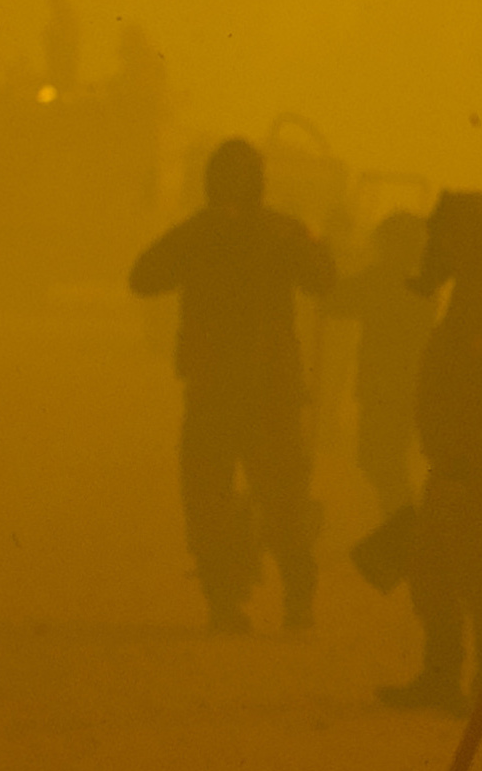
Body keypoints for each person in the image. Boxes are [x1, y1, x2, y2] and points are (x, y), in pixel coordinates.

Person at [126, 137, 331, 633]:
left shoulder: (201, 234)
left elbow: (143, 276)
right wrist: (310, 239)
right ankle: (290, 603)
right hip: (262, 394)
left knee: (216, 501)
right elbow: (324, 279)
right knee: (277, 500)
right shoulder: (278, 232)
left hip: (223, 394)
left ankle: (233, 604)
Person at [383, 192, 482, 714]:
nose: (439, 246)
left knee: (480, 574)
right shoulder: (472, 294)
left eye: (449, 237)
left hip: (472, 465)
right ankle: (441, 676)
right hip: (458, 461)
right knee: (433, 568)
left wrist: (462, 466)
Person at [327, 208, 435, 531]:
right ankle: (403, 530)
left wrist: (324, 259)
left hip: (385, 389)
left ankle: (406, 534)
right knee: (384, 462)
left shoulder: (386, 279)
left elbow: (334, 300)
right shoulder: (421, 282)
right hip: (401, 388)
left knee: (381, 462)